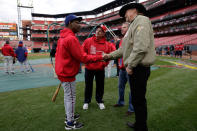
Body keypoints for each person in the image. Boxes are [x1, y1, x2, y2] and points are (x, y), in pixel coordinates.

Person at [103, 3, 156, 131]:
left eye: (126, 12)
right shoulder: (134, 24)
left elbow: (141, 47)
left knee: (138, 100)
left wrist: (131, 65)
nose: (125, 16)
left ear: (134, 10)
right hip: (137, 67)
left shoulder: (141, 20)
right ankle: (139, 124)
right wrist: (109, 56)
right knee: (137, 100)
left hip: (138, 67)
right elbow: (123, 49)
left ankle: (141, 127)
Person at [55, 14, 103, 130]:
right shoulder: (71, 38)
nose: (80, 25)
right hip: (67, 72)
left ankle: (69, 116)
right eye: (77, 22)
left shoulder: (63, 36)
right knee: (70, 97)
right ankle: (70, 123)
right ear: (70, 23)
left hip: (63, 70)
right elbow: (83, 58)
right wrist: (100, 57)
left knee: (68, 96)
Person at [82, 25, 115, 110]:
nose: (97, 32)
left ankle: (99, 101)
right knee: (88, 85)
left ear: (104, 33)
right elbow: (82, 53)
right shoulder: (88, 41)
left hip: (100, 69)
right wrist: (87, 61)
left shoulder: (107, 44)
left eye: (100, 31)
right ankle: (86, 101)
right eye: (97, 30)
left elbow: (109, 56)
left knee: (100, 85)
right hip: (89, 68)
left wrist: (105, 64)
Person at [113, 22, 134, 116]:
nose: (121, 29)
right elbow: (120, 52)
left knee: (132, 89)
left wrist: (130, 66)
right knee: (120, 86)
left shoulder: (132, 38)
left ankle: (131, 108)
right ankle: (121, 102)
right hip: (122, 68)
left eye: (124, 27)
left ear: (129, 28)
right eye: (121, 27)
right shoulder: (122, 39)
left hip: (129, 68)